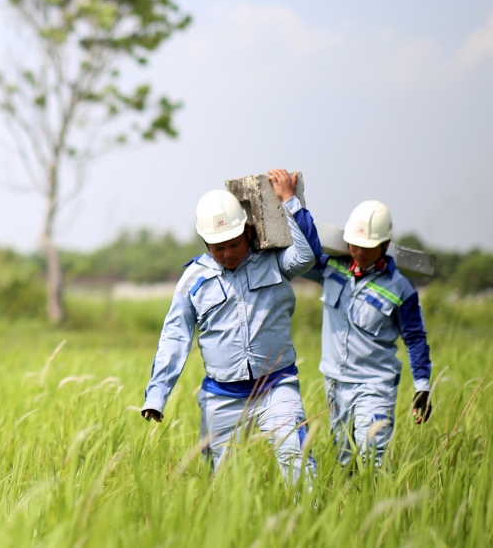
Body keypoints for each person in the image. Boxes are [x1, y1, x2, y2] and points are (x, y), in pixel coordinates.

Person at [141, 170, 318, 482]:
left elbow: (307, 255)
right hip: (220, 398)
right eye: (217, 247)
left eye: (233, 243)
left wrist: (288, 202)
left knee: (300, 467)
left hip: (275, 387)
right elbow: (173, 338)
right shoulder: (193, 281)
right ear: (205, 242)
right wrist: (157, 396)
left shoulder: (273, 261)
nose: (227, 253)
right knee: (223, 485)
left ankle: (314, 523)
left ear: (248, 232)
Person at [302, 200, 432, 468]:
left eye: (368, 247)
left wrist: (423, 385)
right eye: (354, 244)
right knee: (345, 460)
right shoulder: (332, 268)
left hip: (375, 384)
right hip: (335, 383)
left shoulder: (401, 288)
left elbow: (415, 338)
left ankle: (378, 506)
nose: (359, 251)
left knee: (371, 457)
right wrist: (293, 204)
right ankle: (350, 509)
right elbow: (305, 249)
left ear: (385, 245)